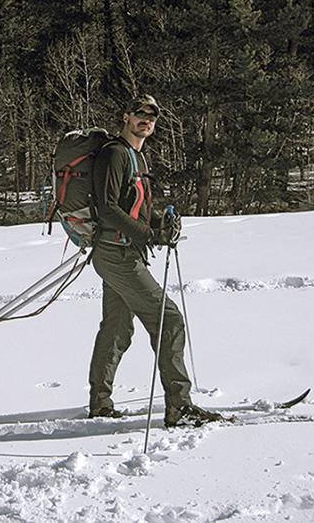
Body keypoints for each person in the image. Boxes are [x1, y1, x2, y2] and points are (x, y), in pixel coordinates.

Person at [88, 94, 223, 428]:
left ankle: (100, 403)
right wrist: (149, 235)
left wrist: (160, 223)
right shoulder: (115, 154)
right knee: (169, 319)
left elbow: (133, 207)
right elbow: (107, 208)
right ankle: (179, 406)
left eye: (152, 116)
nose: (146, 120)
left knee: (117, 328)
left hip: (121, 251)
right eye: (140, 114)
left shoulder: (137, 157)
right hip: (116, 253)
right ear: (126, 116)